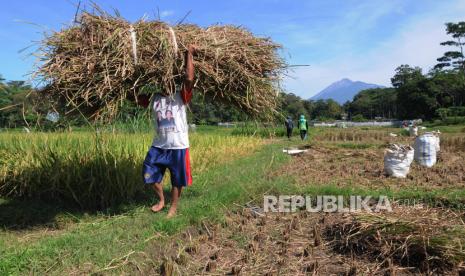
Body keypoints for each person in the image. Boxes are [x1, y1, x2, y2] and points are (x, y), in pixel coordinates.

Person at [134, 45, 196, 218]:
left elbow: (190, 78)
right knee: (148, 173)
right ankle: (162, 199)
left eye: (168, 80)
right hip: (158, 145)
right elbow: (133, 96)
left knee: (177, 180)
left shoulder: (180, 96)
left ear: (173, 81)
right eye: (162, 80)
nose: (165, 83)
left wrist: (188, 54)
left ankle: (173, 208)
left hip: (178, 146)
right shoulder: (154, 98)